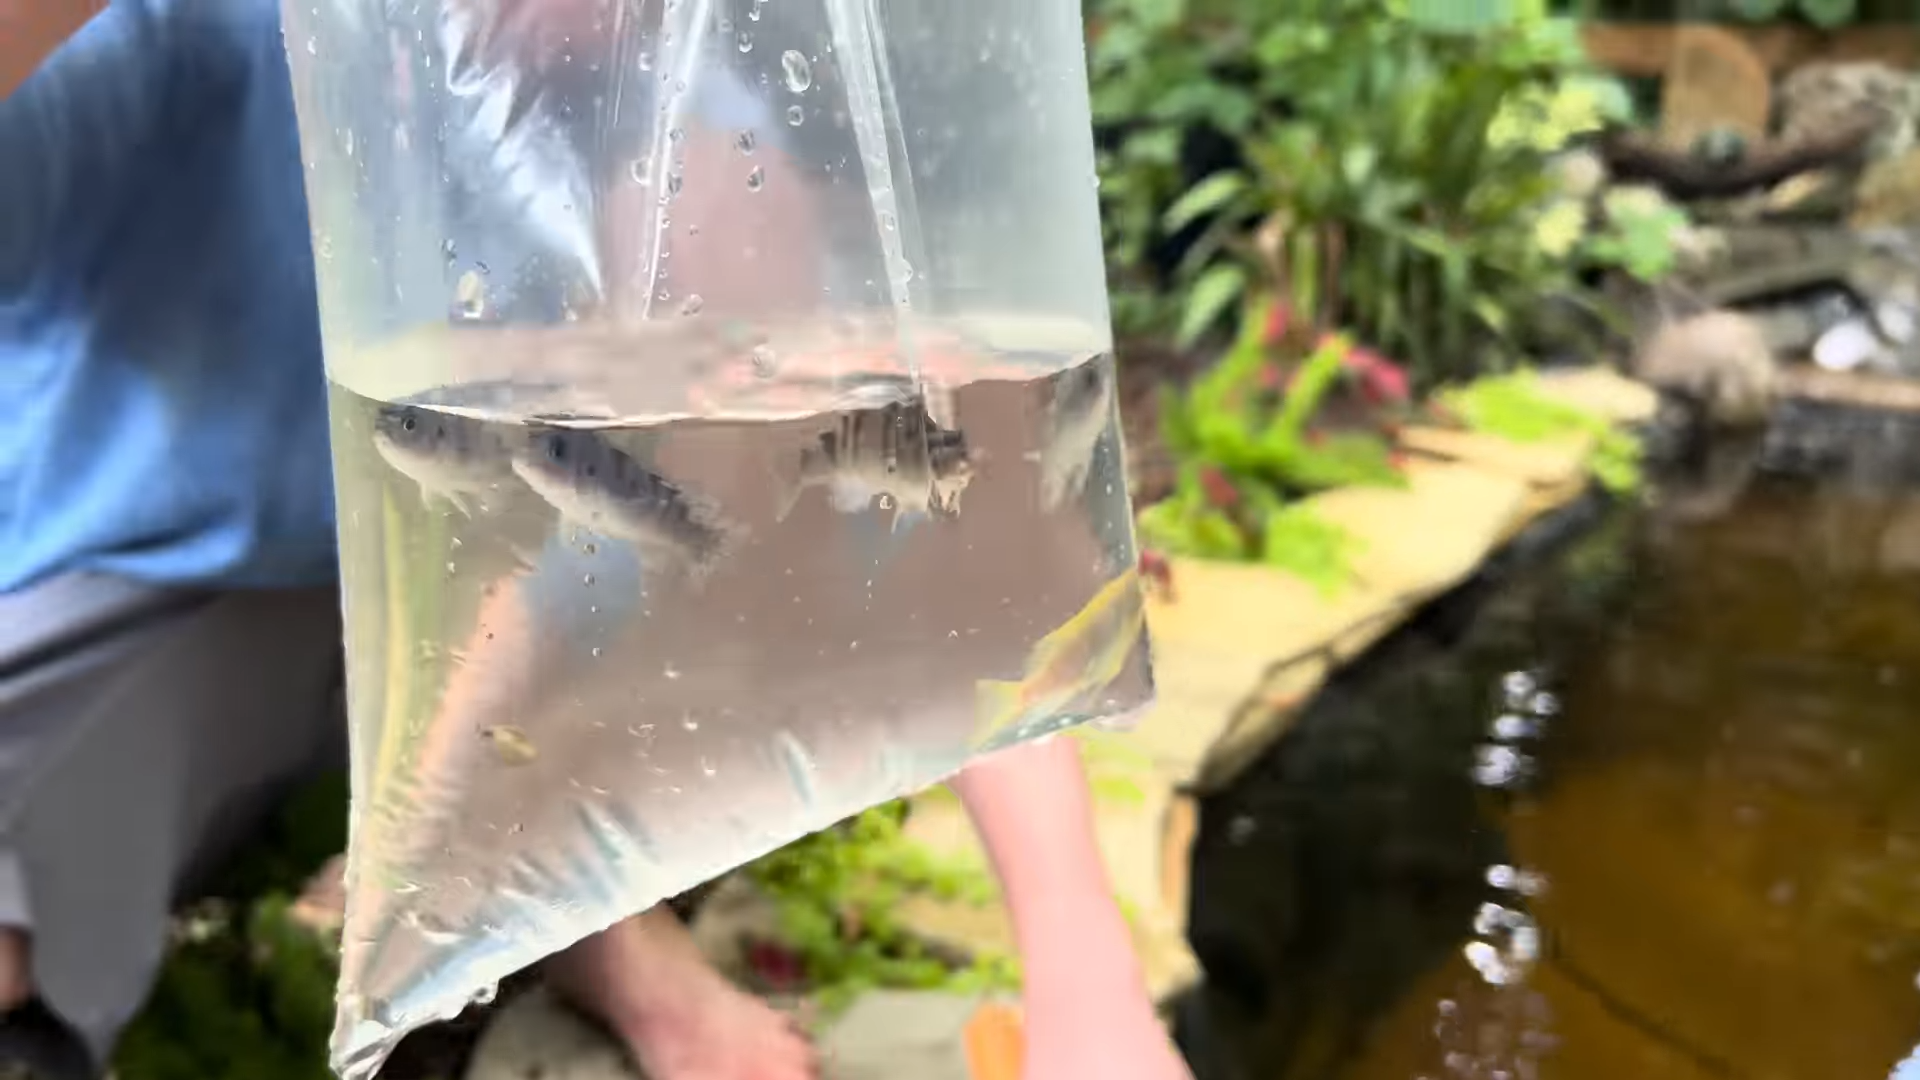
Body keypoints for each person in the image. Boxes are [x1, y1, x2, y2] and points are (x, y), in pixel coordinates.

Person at [0, 4, 1196, 1080]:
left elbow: (925, 501)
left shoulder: (683, 119)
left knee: (652, 512)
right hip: (158, 591)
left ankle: (581, 919)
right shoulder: (192, 41)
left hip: (511, 608)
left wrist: (1083, 978)